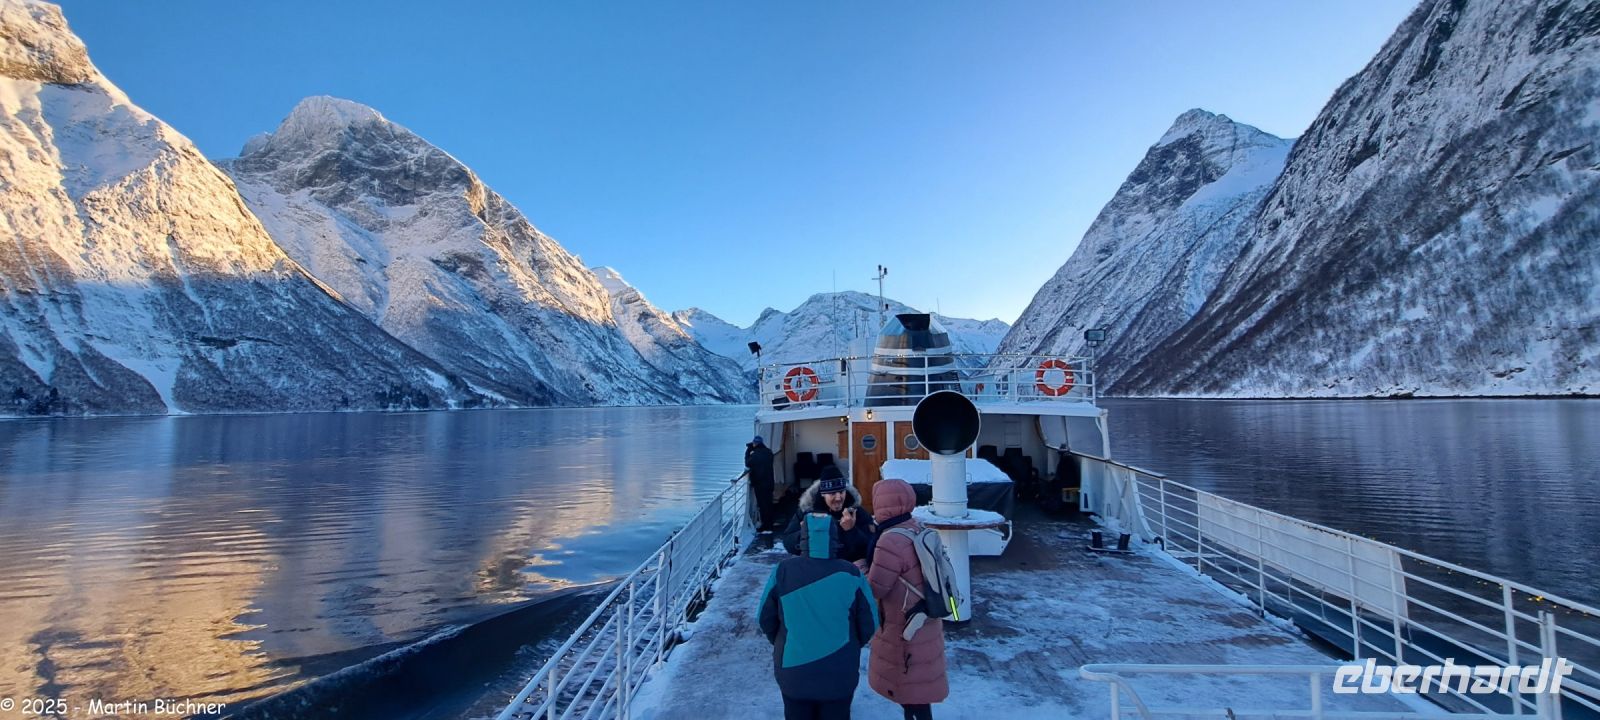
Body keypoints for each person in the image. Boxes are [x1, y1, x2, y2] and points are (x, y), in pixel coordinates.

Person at [759, 513, 879, 720]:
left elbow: (764, 618)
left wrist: (781, 641)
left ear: (803, 538)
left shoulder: (783, 571)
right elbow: (870, 622)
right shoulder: (851, 573)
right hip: (840, 672)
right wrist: (851, 645)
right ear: (835, 537)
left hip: (793, 671)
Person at [866, 478, 949, 720]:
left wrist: (860, 566)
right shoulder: (918, 528)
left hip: (903, 627)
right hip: (926, 620)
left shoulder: (890, 539)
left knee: (910, 689)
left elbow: (876, 588)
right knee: (919, 690)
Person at [780, 466, 875, 564]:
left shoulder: (856, 511)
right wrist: (804, 533)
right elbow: (788, 542)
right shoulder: (807, 511)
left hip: (846, 570)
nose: (838, 498)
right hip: (815, 568)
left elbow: (871, 546)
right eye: (832, 493)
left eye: (841, 492)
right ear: (823, 494)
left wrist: (851, 531)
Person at [746, 435, 778, 531]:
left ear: (754, 444)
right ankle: (770, 523)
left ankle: (766, 526)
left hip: (760, 484)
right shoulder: (769, 452)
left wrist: (748, 451)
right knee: (769, 504)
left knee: (762, 505)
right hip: (769, 482)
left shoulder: (755, 455)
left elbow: (747, 463)